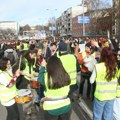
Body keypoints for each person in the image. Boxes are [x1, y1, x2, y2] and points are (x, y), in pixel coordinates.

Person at [38, 56, 71, 120]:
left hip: (51, 108)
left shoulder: (46, 77)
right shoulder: (66, 75)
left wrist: (42, 67)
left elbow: (39, 79)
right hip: (66, 106)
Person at [90, 47, 118, 120]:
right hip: (111, 96)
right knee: (108, 116)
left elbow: (91, 81)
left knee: (97, 116)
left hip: (100, 96)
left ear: (102, 55)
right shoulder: (115, 66)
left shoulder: (98, 66)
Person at [113, 49, 120, 120]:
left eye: (119, 55)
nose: (117, 56)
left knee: (116, 114)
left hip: (118, 94)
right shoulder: (118, 65)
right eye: (117, 55)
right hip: (117, 94)